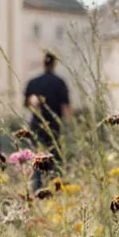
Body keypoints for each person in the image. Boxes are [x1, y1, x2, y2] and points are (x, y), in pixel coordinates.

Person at [23, 52, 71, 189]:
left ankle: (37, 188)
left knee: (37, 157)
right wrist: (68, 126)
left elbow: (27, 103)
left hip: (36, 125)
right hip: (54, 127)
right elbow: (66, 107)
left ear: (43, 63)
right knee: (55, 158)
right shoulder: (60, 82)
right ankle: (55, 187)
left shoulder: (33, 82)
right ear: (54, 64)